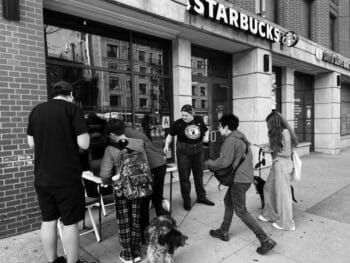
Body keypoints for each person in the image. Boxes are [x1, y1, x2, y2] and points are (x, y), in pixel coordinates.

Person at [27, 81, 90, 263]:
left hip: (41, 177)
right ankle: (73, 262)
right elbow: (84, 143)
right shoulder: (72, 109)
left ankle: (53, 261)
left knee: (49, 220)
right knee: (70, 222)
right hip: (66, 177)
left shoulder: (36, 110)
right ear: (70, 94)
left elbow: (31, 143)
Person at [205, 114, 276, 255]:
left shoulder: (230, 141)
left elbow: (223, 162)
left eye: (219, 126)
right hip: (244, 177)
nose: (218, 130)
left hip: (239, 180)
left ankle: (265, 240)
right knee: (228, 201)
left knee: (241, 211)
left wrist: (208, 163)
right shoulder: (241, 137)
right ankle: (223, 231)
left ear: (226, 126)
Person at [99, 119, 147, 263]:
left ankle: (127, 254)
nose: (109, 137)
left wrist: (107, 182)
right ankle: (137, 252)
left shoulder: (110, 149)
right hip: (138, 187)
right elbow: (146, 164)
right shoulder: (138, 143)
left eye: (109, 134)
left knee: (124, 221)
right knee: (136, 218)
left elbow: (105, 174)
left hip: (121, 189)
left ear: (113, 134)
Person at [163, 104, 214, 210]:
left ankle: (201, 197)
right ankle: (186, 200)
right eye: (182, 115)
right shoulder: (178, 123)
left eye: (186, 115)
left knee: (199, 174)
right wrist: (167, 145)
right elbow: (170, 135)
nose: (184, 117)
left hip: (198, 151)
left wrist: (205, 137)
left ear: (192, 114)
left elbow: (206, 129)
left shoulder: (199, 119)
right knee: (184, 177)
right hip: (183, 152)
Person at [123, 126, 168, 241]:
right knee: (157, 199)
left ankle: (144, 235)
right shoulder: (134, 132)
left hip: (151, 166)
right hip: (160, 164)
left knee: (144, 201)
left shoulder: (124, 136)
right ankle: (166, 230)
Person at [258, 111, 298, 231]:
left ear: (274, 123)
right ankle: (270, 214)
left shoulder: (285, 132)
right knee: (268, 188)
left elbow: (287, 153)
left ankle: (287, 223)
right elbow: (278, 148)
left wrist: (270, 150)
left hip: (282, 165)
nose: (268, 126)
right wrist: (269, 147)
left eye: (269, 124)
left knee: (283, 194)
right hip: (277, 165)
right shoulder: (278, 133)